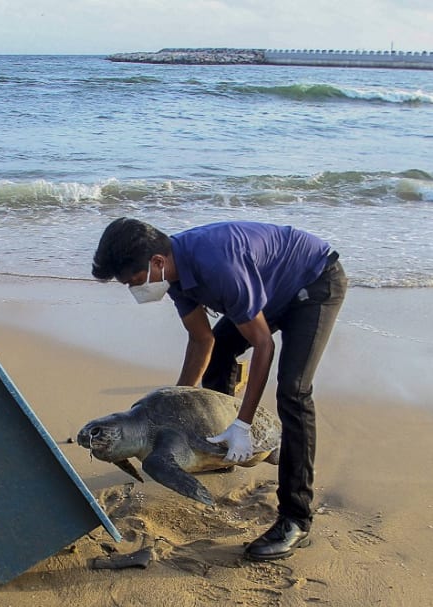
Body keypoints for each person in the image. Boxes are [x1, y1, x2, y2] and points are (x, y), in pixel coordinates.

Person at [91, 218, 347, 561]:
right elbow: (202, 340)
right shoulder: (174, 271)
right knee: (221, 353)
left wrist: (242, 424)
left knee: (294, 391)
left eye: (135, 281)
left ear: (156, 262)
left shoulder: (217, 265)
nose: (134, 289)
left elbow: (263, 345)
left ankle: (295, 519)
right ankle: (218, 450)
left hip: (313, 283)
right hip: (268, 290)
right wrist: (170, 408)